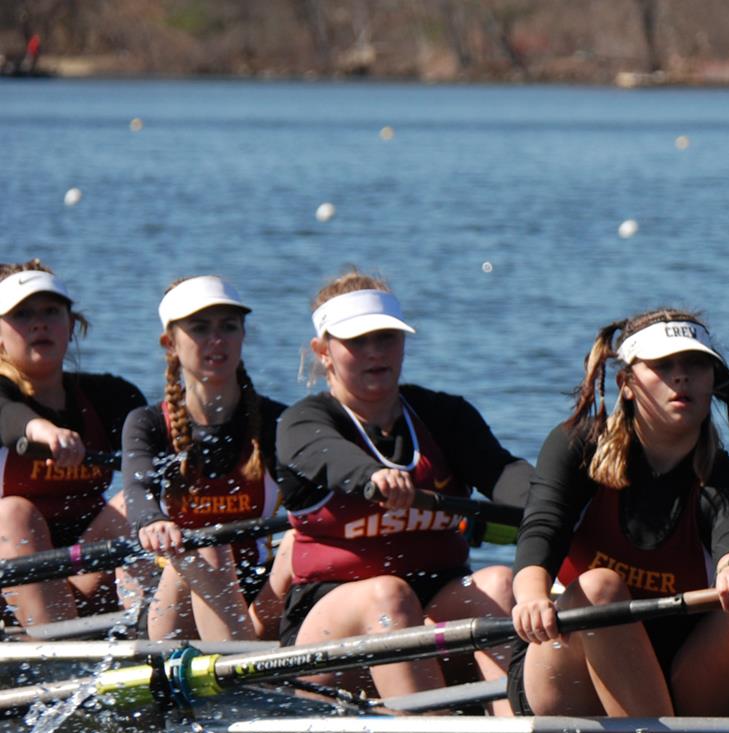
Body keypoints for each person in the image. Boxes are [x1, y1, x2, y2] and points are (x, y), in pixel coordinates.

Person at [511, 308, 729, 719]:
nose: (681, 377)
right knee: (600, 587)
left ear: (712, 380)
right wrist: (532, 599)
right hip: (569, 667)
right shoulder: (576, 447)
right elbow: (542, 528)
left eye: (695, 364)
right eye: (663, 365)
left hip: (681, 676)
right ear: (626, 384)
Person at [277, 272, 528, 702]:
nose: (375, 353)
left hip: (432, 609)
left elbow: (502, 473)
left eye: (387, 338)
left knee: (500, 583)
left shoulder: (444, 415)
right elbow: (330, 456)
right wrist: (372, 476)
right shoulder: (302, 422)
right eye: (358, 342)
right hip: (330, 632)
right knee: (389, 595)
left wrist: (556, 501)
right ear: (324, 352)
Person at [123, 276, 290, 642]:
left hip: (258, 593)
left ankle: (253, 668)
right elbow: (137, 491)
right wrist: (152, 521)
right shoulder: (148, 424)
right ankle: (251, 679)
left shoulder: (279, 422)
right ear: (170, 344)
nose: (217, 339)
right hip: (173, 596)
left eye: (228, 327)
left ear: (243, 335)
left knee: (295, 542)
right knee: (208, 546)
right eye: (200, 328)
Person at [0, 262, 145, 627]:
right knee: (13, 513)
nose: (39, 323)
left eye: (51, 311)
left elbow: (158, 450)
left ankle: (159, 633)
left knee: (139, 499)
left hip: (85, 567)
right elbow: (8, 416)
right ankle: (53, 654)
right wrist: (44, 432)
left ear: (71, 324)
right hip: (11, 584)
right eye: (22, 314)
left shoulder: (112, 396)